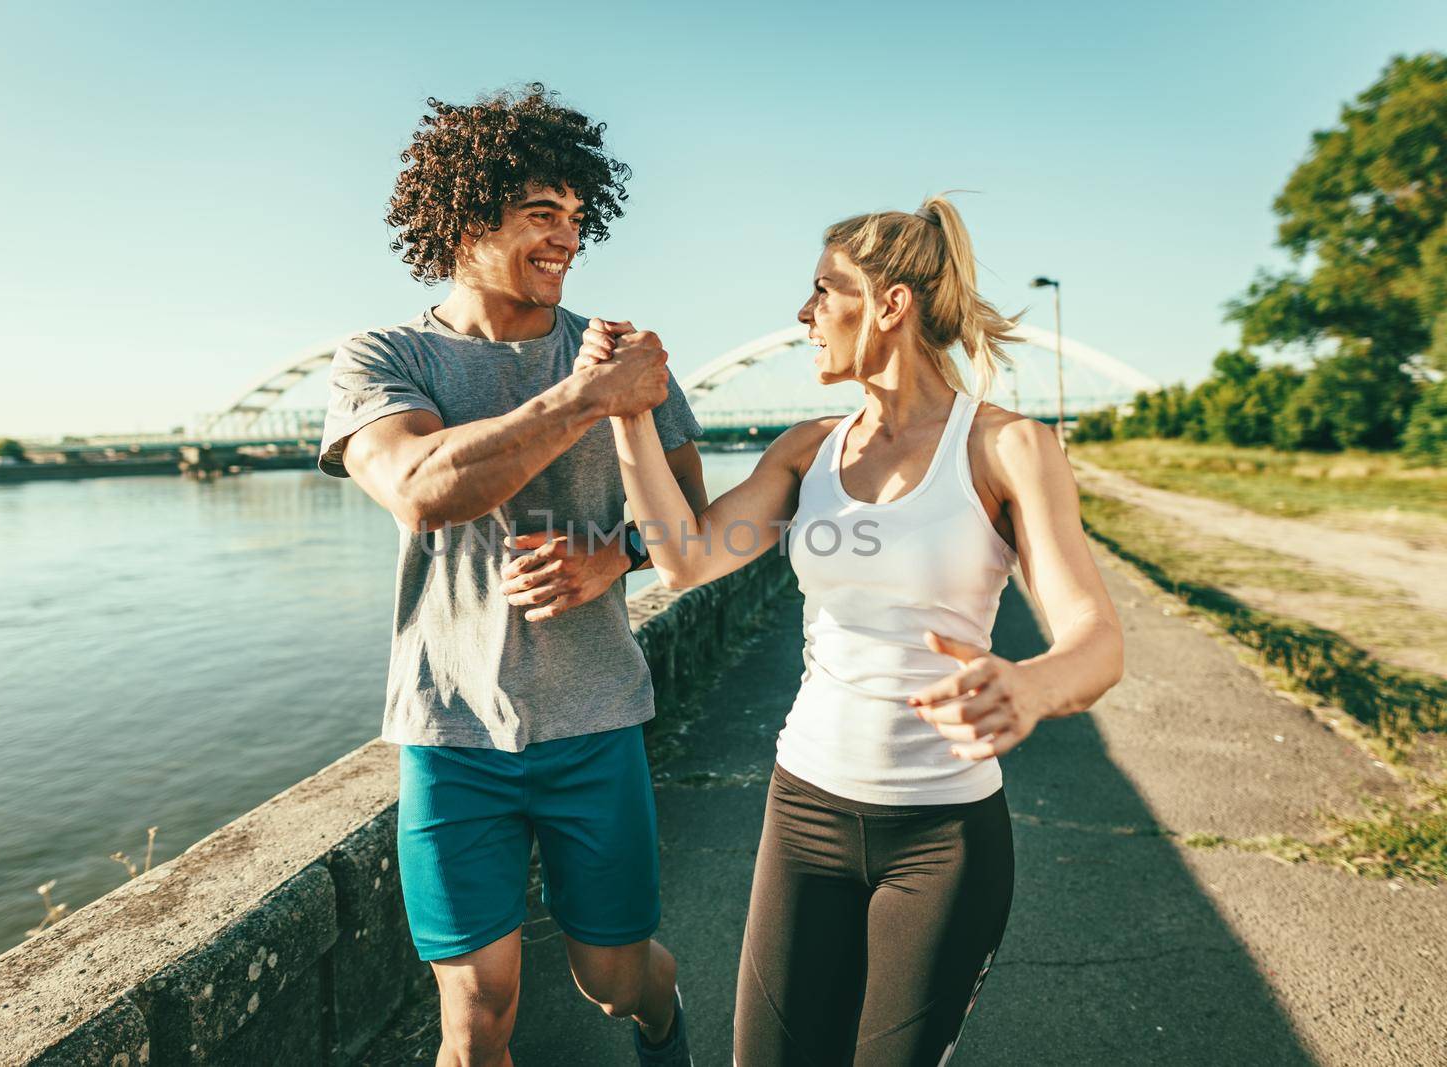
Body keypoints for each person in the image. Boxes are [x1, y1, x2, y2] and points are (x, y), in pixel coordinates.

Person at [578, 196, 1125, 1065]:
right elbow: (683, 558)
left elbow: (1095, 636)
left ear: (891, 304)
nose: (804, 314)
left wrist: (1031, 684)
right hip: (804, 809)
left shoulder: (1007, 447)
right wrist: (626, 412)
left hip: (943, 838)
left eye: (823, 290)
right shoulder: (808, 450)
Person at [318, 86, 705, 1067]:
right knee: (477, 1009)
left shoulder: (621, 356)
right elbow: (418, 486)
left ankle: (666, 1028)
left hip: (594, 722)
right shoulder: (385, 357)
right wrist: (584, 397)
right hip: (448, 734)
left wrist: (617, 554)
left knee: (613, 979)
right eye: (544, 213)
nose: (566, 239)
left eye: (578, 219)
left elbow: (690, 524)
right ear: (465, 212)